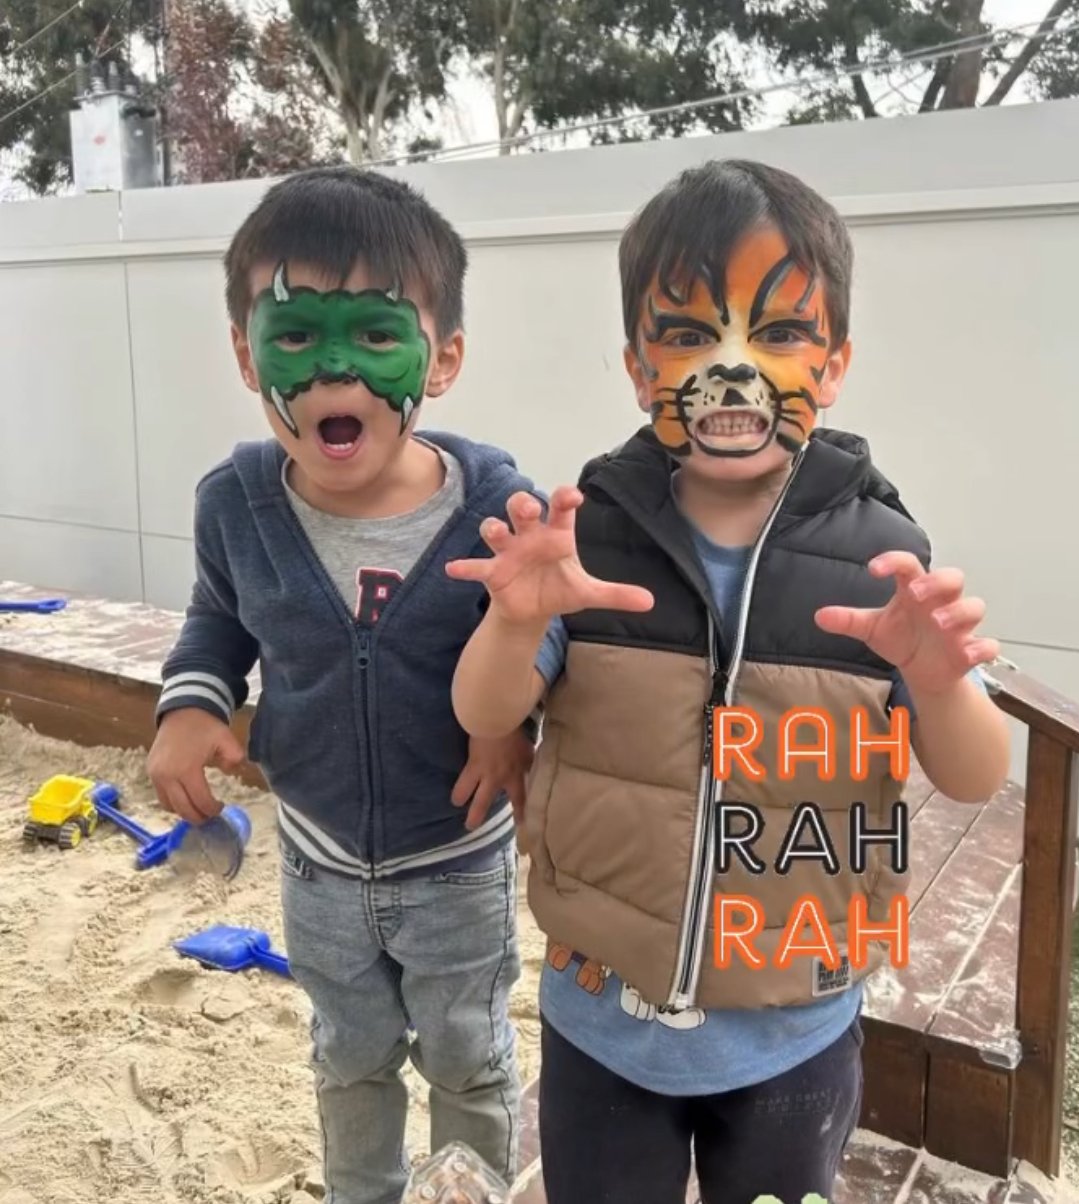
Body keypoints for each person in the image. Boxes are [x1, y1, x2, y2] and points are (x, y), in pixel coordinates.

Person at [446, 159, 1012, 1204]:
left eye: (781, 334)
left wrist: (938, 685)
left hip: (799, 1021)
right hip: (602, 1017)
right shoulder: (595, 535)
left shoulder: (882, 549)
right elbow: (487, 710)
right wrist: (515, 620)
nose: (733, 369)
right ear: (635, 364)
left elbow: (974, 776)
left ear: (835, 363)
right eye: (690, 334)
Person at [146, 165, 537, 1204]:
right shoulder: (235, 503)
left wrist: (515, 726)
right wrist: (191, 701)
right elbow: (218, 620)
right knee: (348, 1053)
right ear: (245, 353)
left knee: (467, 1055)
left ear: (441, 357)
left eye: (374, 336)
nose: (333, 375)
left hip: (457, 857)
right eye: (294, 339)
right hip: (316, 860)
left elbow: (545, 641)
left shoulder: (496, 506)